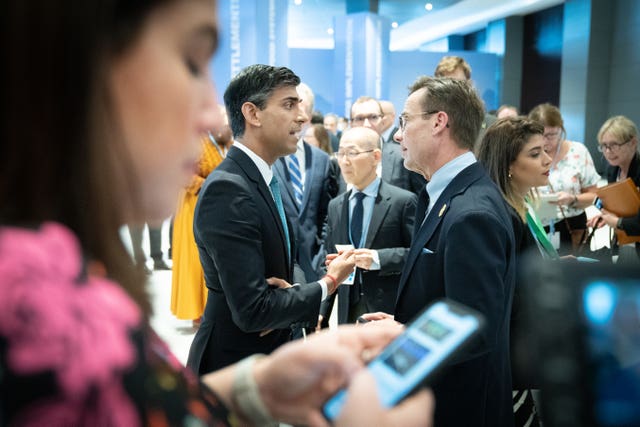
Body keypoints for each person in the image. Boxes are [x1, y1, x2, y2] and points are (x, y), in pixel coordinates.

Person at [0, 1, 436, 425]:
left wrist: (257, 388)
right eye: (192, 61)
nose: (210, 110)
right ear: (83, 63)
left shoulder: (67, 273)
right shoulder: (27, 302)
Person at [366, 76, 517, 426]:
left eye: (404, 121)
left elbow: (476, 327)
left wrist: (402, 335)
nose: (398, 135)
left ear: (438, 122)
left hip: (462, 406)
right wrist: (400, 323)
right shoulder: (443, 195)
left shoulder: (471, 212)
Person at [187, 65, 357, 374]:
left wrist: (289, 294)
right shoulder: (230, 189)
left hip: (260, 360)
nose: (302, 117)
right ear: (253, 113)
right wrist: (329, 282)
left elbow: (279, 273)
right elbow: (254, 311)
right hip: (233, 367)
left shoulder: (260, 179)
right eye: (289, 104)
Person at [477, 117, 555, 426]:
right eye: (535, 154)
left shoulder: (520, 208)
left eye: (545, 151)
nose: (547, 160)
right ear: (508, 163)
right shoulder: (503, 217)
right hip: (511, 358)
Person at [321, 127, 416, 325]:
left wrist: (378, 258)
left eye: (352, 153)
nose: (344, 161)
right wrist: (321, 310)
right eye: (341, 153)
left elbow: (417, 255)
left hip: (388, 310)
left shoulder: (402, 201)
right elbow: (331, 263)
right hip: (348, 310)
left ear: (376, 157)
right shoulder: (336, 206)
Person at [170, 105, 232, 325]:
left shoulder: (229, 141)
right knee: (196, 261)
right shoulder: (195, 141)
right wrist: (214, 185)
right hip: (193, 208)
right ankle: (198, 313)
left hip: (220, 208)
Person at [273, 83, 337, 284]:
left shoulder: (321, 160)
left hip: (313, 265)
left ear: (309, 117)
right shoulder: (267, 156)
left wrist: (322, 251)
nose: (296, 117)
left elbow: (326, 212)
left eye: (302, 111)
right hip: (276, 264)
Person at [528, 103, 600, 255]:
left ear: (561, 129)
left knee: (572, 272)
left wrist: (572, 198)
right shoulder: (527, 154)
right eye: (542, 135)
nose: (547, 141)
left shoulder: (578, 151)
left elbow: (594, 195)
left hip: (572, 225)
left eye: (552, 135)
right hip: (536, 226)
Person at [587, 115, 640, 260]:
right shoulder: (613, 170)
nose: (608, 151)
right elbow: (623, 206)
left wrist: (617, 222)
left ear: (633, 143)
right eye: (604, 145)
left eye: (614, 145)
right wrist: (606, 216)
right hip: (624, 241)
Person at [351, 96, 426, 194]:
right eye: (359, 118)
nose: (366, 124)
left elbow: (422, 198)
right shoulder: (339, 163)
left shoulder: (404, 156)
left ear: (382, 121)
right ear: (351, 123)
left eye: (373, 117)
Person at [434, 55, 497, 144]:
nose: (454, 89)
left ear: (469, 84)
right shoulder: (430, 122)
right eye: (448, 83)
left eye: (459, 83)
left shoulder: (491, 126)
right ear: (437, 86)